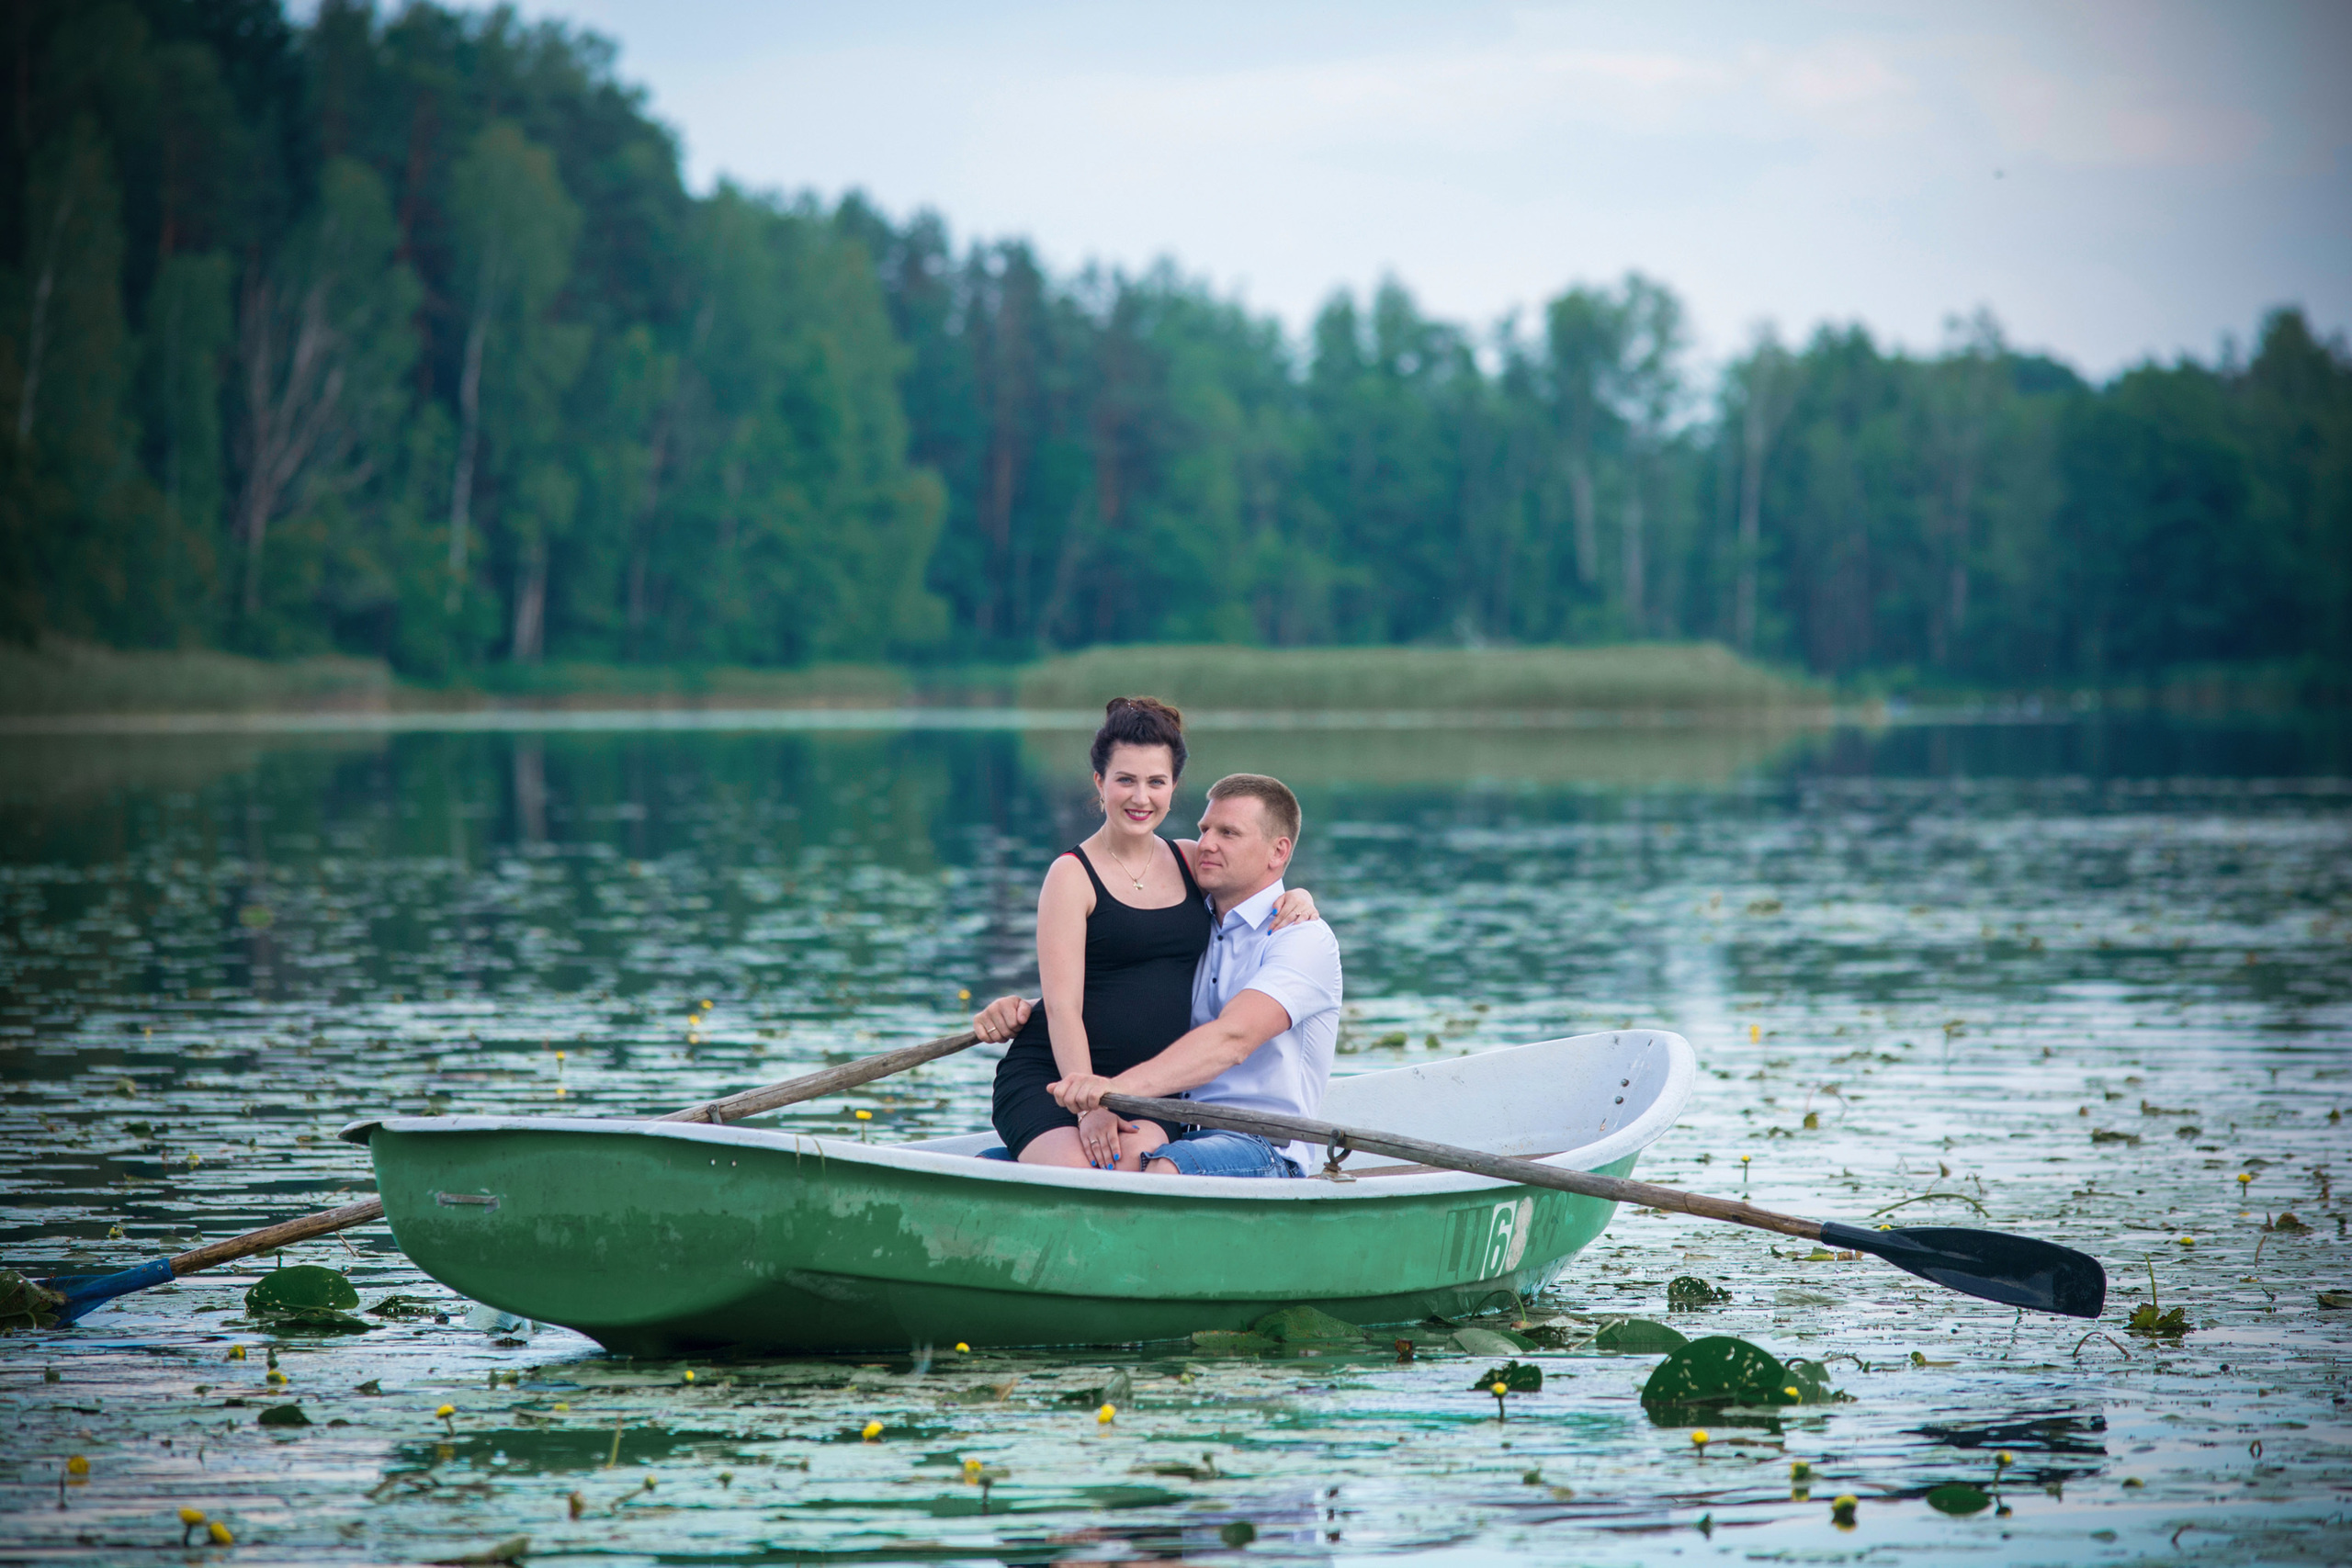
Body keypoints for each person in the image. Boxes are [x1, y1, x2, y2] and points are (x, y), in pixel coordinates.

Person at [976, 698, 1319, 1170]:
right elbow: (1061, 1006)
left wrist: (1299, 895)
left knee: (1135, 1177)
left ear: (1174, 787)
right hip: (1057, 1078)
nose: (1141, 798)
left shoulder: (1189, 860)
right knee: (1078, 1177)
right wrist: (1089, 1104)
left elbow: (1256, 872)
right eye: (1126, 780)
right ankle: (1008, 1162)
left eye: (1156, 782)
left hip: (1151, 1086)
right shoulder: (1070, 876)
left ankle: (1000, 1164)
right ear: (1100, 783)